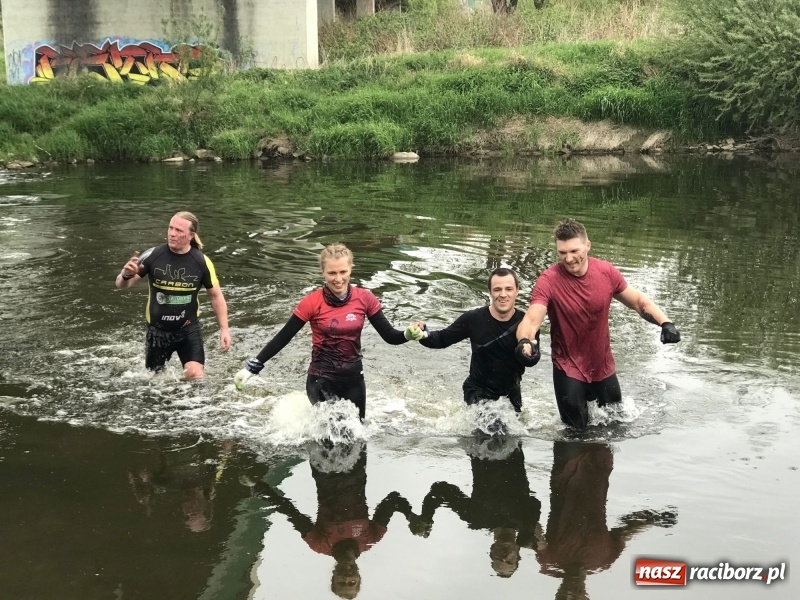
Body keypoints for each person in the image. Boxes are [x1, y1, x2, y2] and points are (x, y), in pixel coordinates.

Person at [516, 219, 681, 429]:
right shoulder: (549, 280)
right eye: (562, 253)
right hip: (568, 368)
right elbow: (532, 319)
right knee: (574, 434)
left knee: (615, 426)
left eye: (574, 251)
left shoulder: (606, 272)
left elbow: (638, 302)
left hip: (603, 367)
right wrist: (524, 342)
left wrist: (665, 323)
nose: (568, 258)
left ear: (588, 245)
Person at [234, 243, 422, 420]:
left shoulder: (365, 298)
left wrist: (408, 334)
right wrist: (253, 366)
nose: (338, 279)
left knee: (357, 435)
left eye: (343, 272)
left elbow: (389, 335)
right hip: (321, 380)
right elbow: (284, 337)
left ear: (351, 269)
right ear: (323, 272)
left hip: (354, 380)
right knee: (335, 428)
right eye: (332, 273)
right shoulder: (311, 302)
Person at [253, 442, 417, 599]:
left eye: (341, 582)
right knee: (354, 427)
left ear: (333, 576)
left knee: (319, 429)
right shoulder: (371, 538)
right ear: (359, 577)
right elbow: (393, 500)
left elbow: (292, 513)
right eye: (352, 582)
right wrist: (410, 516)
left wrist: (264, 490)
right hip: (354, 468)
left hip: (324, 472)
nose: (347, 578)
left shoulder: (319, 543)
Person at [536, 441, 677, 597]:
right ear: (585, 597)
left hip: (567, 466)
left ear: (558, 594)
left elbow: (533, 527)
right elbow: (626, 530)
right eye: (575, 599)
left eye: (563, 598)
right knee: (601, 430)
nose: (569, 593)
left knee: (574, 430)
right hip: (599, 465)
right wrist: (655, 519)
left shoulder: (548, 560)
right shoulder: (604, 559)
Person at [115, 211, 231, 380]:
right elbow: (121, 284)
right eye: (170, 228)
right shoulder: (152, 255)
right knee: (155, 380)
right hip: (157, 332)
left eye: (179, 230)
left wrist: (224, 329)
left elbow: (216, 296)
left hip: (188, 330)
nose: (172, 233)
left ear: (191, 236)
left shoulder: (201, 261)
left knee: (195, 375)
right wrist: (126, 275)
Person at [410, 267, 541, 414]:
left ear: (517, 291)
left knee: (513, 428)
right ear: (489, 292)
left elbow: (533, 359)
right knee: (494, 425)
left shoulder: (527, 322)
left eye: (508, 289)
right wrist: (423, 333)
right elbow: (441, 339)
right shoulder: (474, 319)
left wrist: (527, 353)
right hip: (478, 390)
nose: (503, 294)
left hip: (511, 392)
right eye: (497, 289)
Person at [416, 437, 542, 578]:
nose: (505, 556)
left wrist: (427, 515)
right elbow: (534, 504)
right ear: (518, 553)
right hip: (510, 441)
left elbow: (440, 489)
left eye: (499, 558)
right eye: (509, 561)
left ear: (492, 550)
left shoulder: (476, 518)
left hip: (481, 442)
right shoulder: (525, 520)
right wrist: (528, 531)